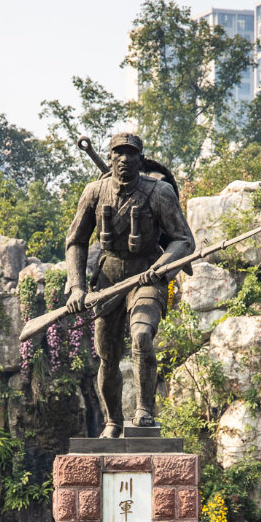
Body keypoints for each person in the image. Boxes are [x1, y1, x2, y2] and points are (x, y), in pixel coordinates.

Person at [62, 131, 196, 436]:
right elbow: (76, 242)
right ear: (109, 158)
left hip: (147, 274)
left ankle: (144, 411)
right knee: (107, 354)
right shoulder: (94, 192)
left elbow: (183, 240)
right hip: (108, 278)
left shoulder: (160, 192)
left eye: (131, 154)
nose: (124, 160)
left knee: (142, 337)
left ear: (141, 159)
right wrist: (77, 286)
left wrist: (161, 267)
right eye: (118, 154)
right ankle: (112, 421)